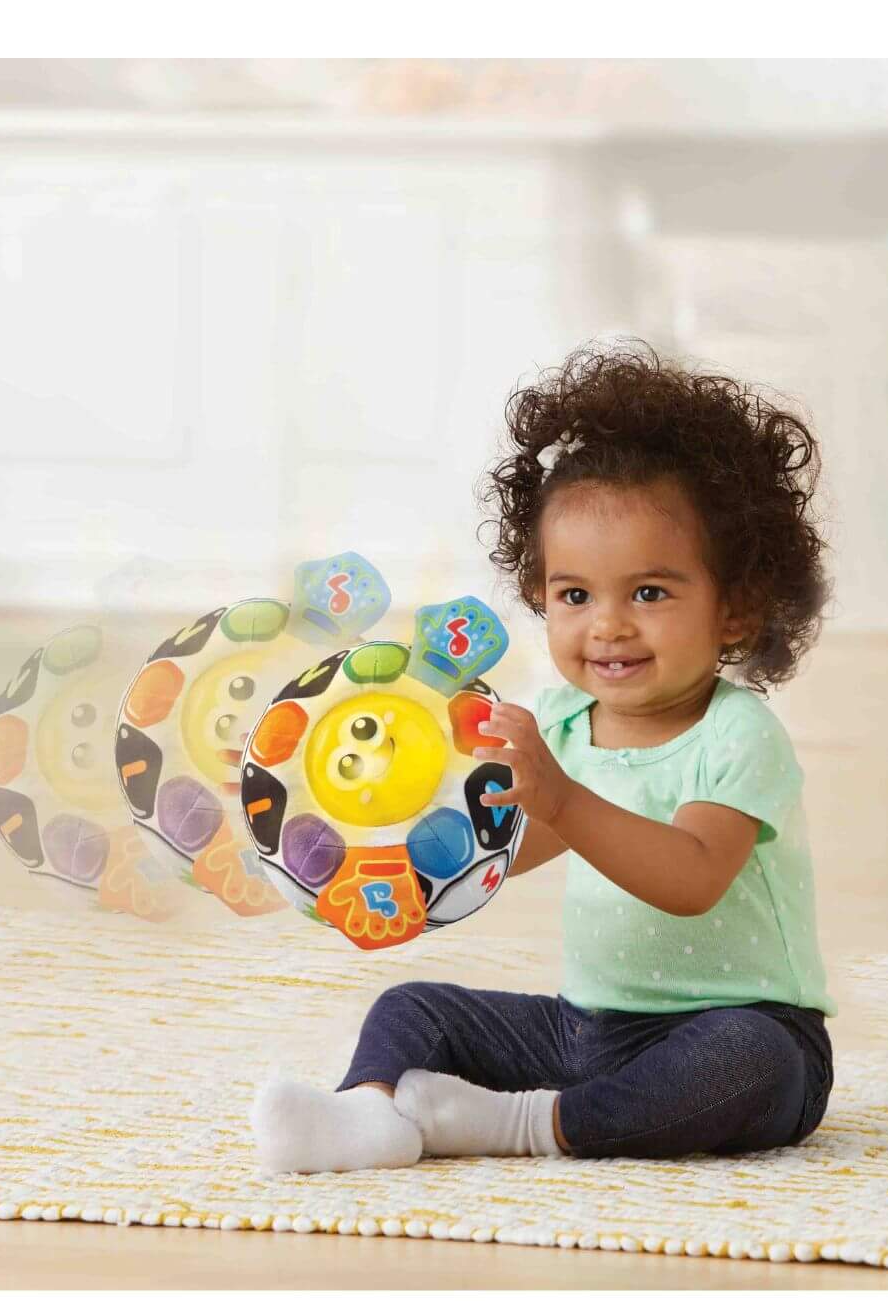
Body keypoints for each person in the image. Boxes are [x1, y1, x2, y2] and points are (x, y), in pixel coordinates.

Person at [251, 336, 835, 1170]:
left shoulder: (737, 734)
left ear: (735, 609)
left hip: (741, 1022)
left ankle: (526, 1125)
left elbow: (693, 878)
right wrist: (341, 834)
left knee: (749, 1064)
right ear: (541, 594)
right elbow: (499, 851)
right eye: (575, 594)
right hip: (587, 1029)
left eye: (650, 592)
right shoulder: (559, 723)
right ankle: (366, 1114)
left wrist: (559, 795)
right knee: (414, 1008)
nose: (608, 624)